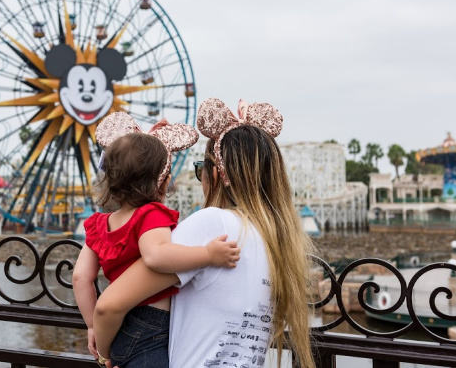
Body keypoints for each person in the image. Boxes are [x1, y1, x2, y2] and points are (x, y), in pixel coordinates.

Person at [93, 98, 315, 368]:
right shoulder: (277, 240)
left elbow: (110, 304)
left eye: (201, 170)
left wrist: (105, 355)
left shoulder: (213, 224)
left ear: (219, 174)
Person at [73, 112, 240, 368]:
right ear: (160, 179)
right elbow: (156, 256)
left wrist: (93, 327)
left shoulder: (98, 224)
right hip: (150, 325)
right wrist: (208, 255)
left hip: (116, 331)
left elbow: (81, 278)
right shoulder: (151, 214)